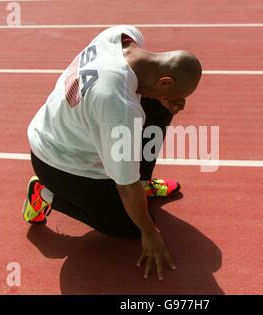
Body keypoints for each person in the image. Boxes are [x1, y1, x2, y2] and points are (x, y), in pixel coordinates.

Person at [22, 25, 202, 280]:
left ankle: (144, 182)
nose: (178, 102)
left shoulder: (121, 34)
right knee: (132, 227)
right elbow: (125, 187)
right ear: (164, 80)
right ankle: (44, 194)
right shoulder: (117, 105)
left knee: (160, 107)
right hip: (58, 163)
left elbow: (144, 93)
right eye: (175, 94)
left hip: (76, 132)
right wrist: (149, 232)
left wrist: (164, 100)